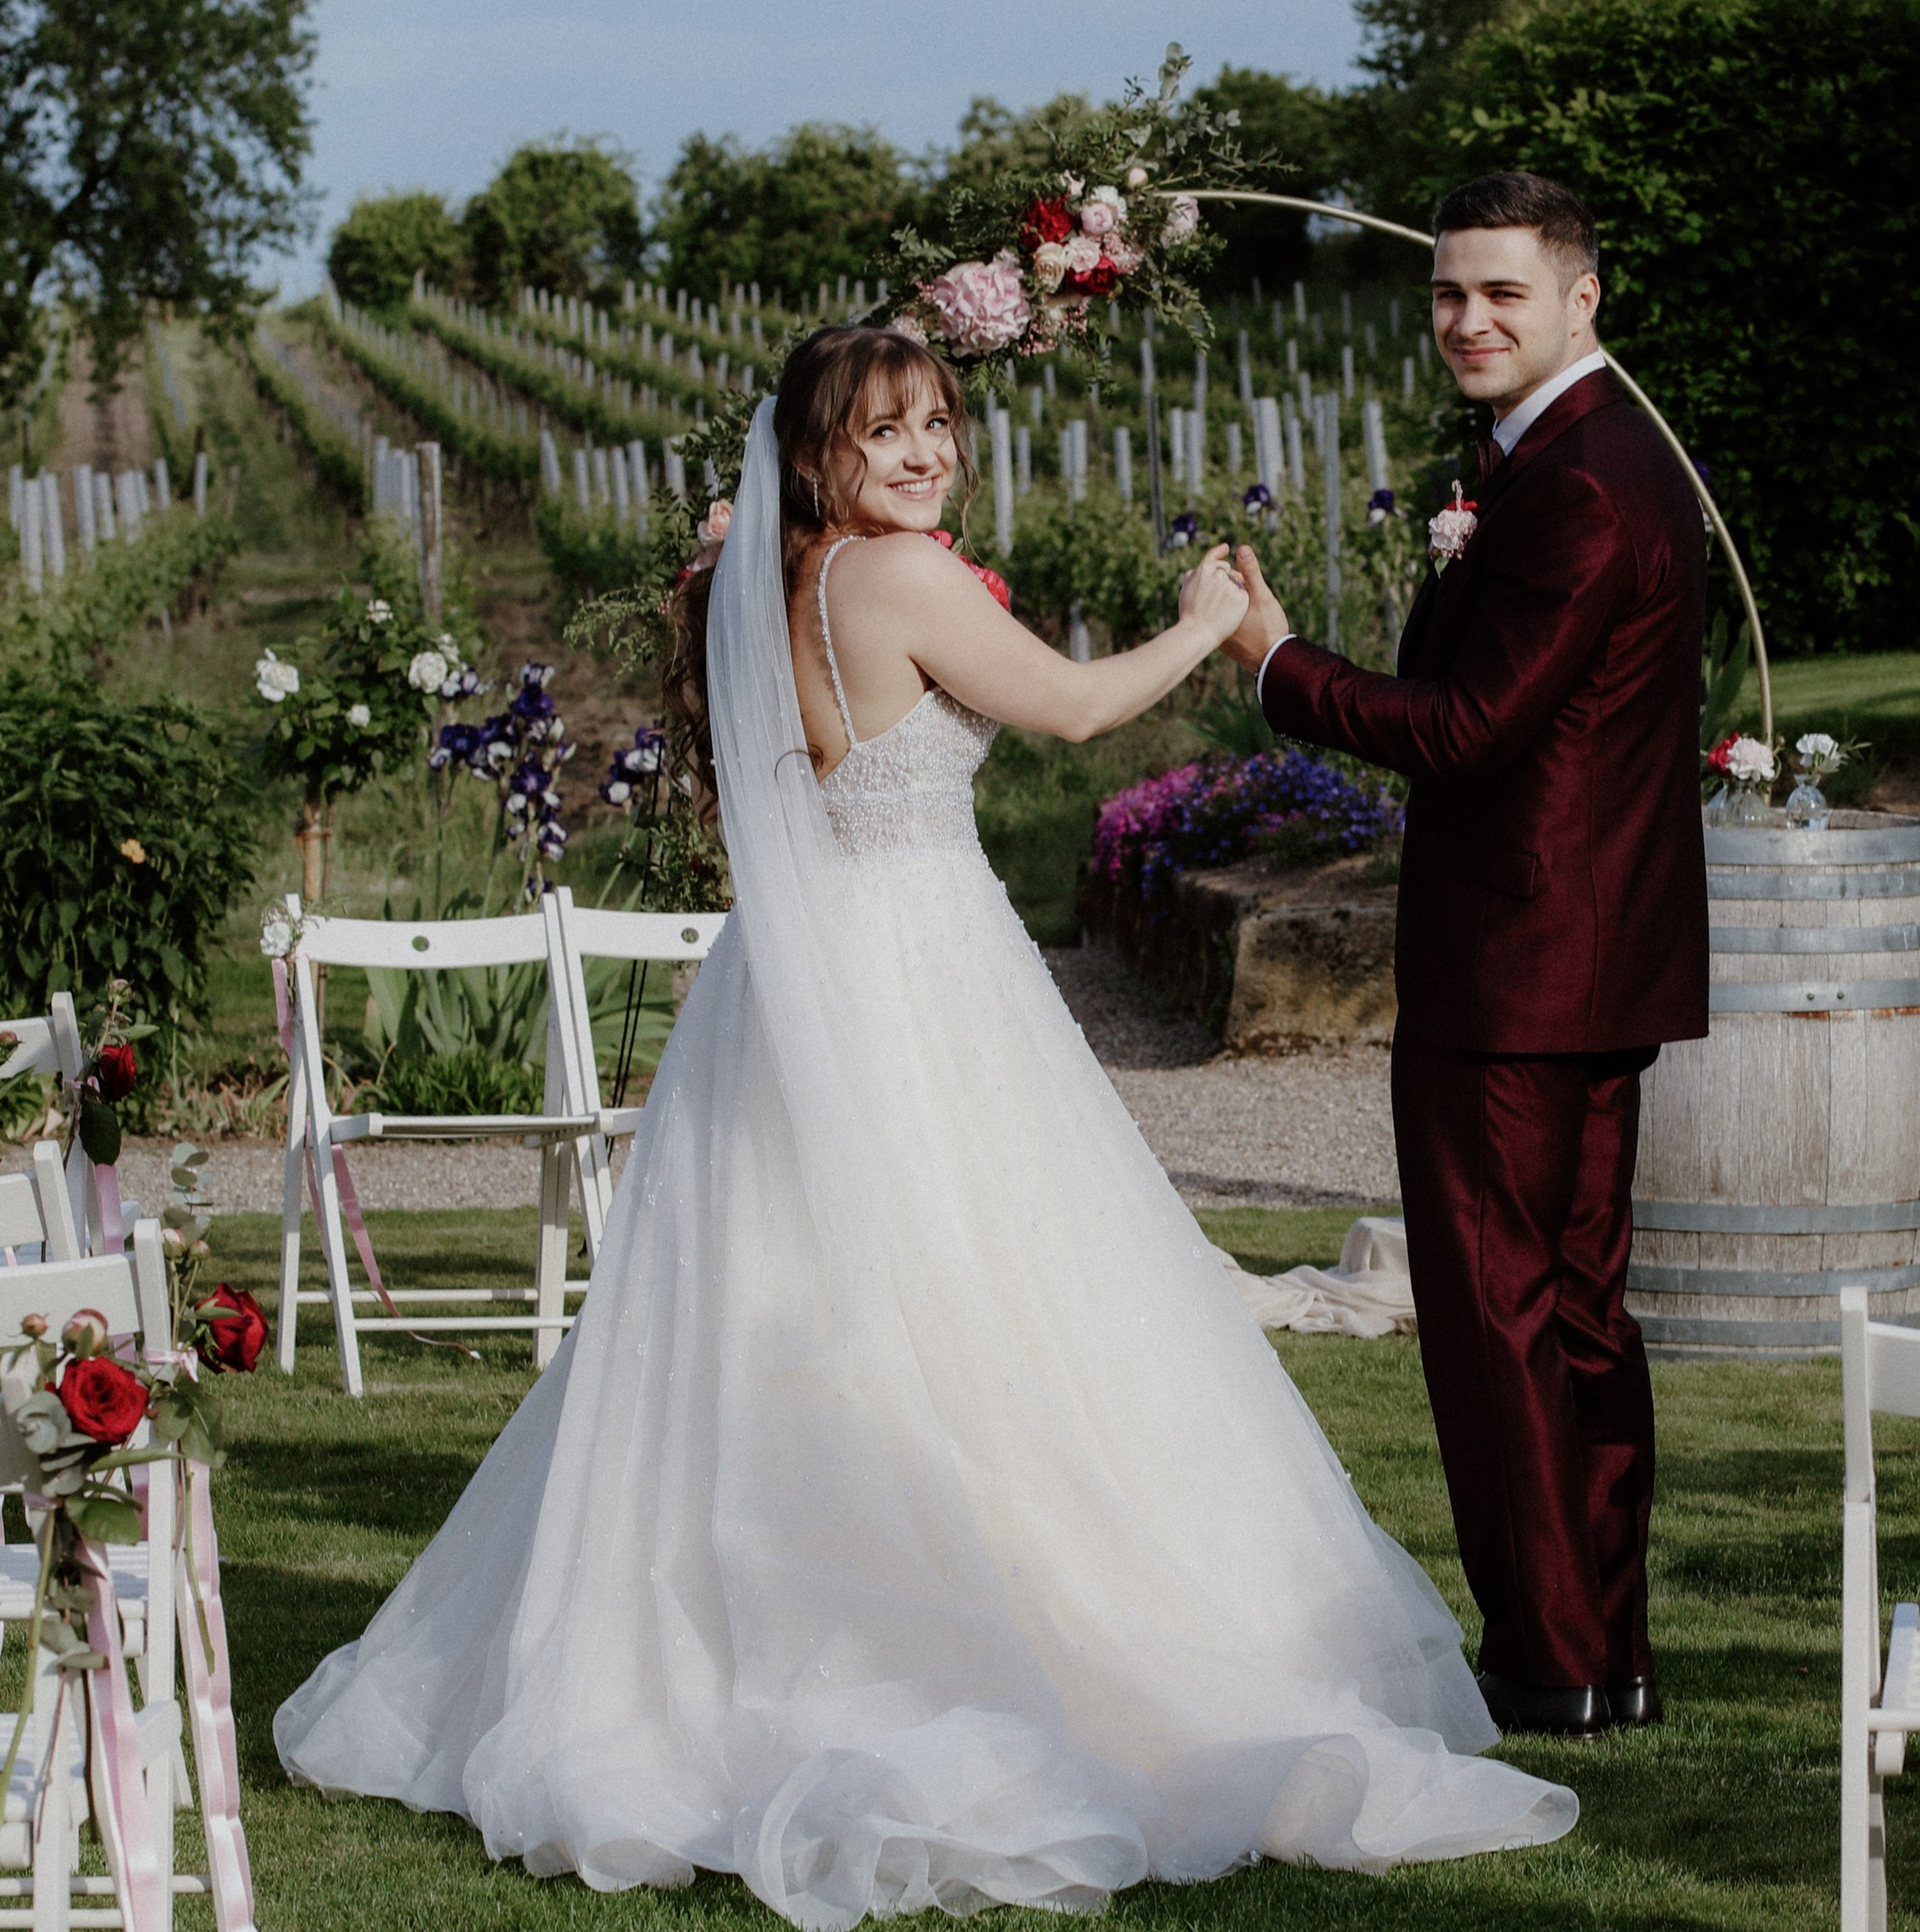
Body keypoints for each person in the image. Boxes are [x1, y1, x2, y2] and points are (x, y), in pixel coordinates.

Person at [274, 325, 1576, 1925]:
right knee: (983, 1300)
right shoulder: (891, 579)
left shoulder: (764, 574)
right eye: (886, 431)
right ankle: (987, 1624)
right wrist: (1207, 622)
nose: (924, 455)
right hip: (911, 976)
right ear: (817, 451)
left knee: (786, 1316)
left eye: (940, 424)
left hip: (794, 979)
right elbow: (1082, 709)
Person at [1220, 173, 1709, 1740]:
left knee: (1500, 1319)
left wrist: (1278, 664)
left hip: (1517, 970)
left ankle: (1550, 1661)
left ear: (1584, 296)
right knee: (1573, 1312)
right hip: (1587, 961)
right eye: (1448, 293)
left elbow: (1464, 730)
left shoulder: (1576, 482)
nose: (1469, 320)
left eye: (1502, 292)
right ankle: (1601, 1658)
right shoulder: (1589, 454)